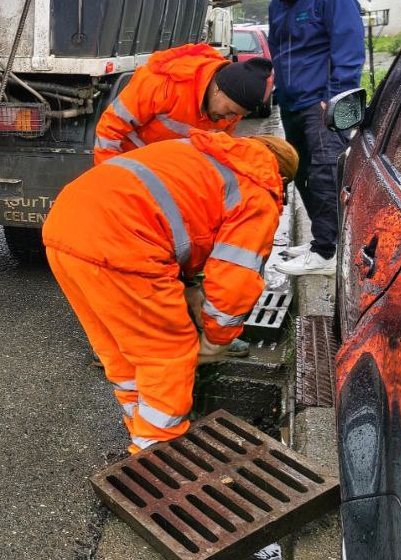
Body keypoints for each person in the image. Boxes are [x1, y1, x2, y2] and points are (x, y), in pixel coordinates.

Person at [43, 130, 298, 453]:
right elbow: (235, 281)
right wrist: (216, 339)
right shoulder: (257, 189)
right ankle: (156, 451)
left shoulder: (205, 152)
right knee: (168, 353)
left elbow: (181, 219)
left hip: (65, 227)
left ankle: (140, 429)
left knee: (121, 350)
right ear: (283, 180)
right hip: (123, 242)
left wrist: (189, 288)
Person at [252, 0, 365, 276]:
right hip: (291, 104)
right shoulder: (276, 7)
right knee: (300, 173)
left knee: (325, 174)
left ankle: (328, 253)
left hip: (322, 104)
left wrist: (335, 99)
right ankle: (321, 240)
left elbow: (348, 48)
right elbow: (280, 54)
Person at [93, 43, 273, 165]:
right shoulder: (164, 83)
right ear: (219, 89)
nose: (229, 119)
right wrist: (109, 175)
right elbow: (110, 129)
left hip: (168, 177)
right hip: (129, 166)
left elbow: (216, 153)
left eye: (236, 116)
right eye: (229, 111)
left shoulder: (230, 111)